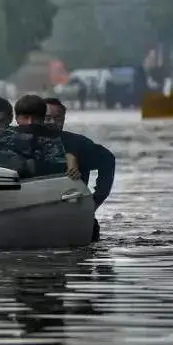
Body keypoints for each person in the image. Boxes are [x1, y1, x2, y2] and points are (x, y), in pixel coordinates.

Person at [44, 97, 115, 241]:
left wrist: (95, 201)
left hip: (74, 215)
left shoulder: (77, 142)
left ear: (64, 119)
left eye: (57, 118)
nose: (51, 122)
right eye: (47, 118)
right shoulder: (22, 141)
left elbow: (108, 160)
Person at [0, 94, 77, 178]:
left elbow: (59, 169)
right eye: (25, 118)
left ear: (42, 119)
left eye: (35, 118)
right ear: (17, 119)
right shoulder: (4, 137)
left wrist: (70, 158)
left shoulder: (54, 139)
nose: (30, 122)